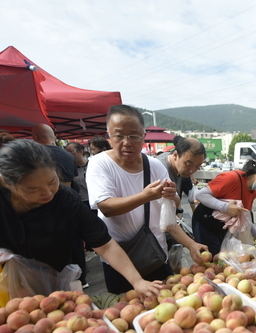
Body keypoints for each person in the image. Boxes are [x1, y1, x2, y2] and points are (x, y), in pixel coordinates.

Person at [0, 139, 161, 300]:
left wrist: (137, 280)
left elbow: (104, 243)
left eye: (52, 181)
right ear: (5, 181)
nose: (48, 193)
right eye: (33, 189)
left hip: (50, 288)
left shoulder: (66, 200)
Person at [86, 105, 207, 294]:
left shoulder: (154, 166)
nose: (127, 142)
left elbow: (166, 219)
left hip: (155, 255)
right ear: (109, 135)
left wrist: (191, 244)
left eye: (134, 136)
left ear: (143, 135)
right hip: (120, 259)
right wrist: (145, 196)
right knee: (128, 314)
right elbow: (106, 207)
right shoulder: (99, 164)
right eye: (119, 136)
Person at [193, 159, 256, 256]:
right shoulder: (231, 178)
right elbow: (200, 195)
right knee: (210, 258)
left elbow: (245, 217)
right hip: (205, 224)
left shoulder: (253, 192)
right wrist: (225, 207)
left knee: (223, 258)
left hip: (223, 227)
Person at [156, 135, 206, 212]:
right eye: (188, 164)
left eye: (198, 165)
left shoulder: (177, 166)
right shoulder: (160, 170)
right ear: (175, 155)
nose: (192, 171)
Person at [66, 142, 91, 287]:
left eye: (73, 150)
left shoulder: (92, 165)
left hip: (93, 202)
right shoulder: (70, 169)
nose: (70, 154)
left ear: (82, 151)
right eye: (67, 151)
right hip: (80, 203)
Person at [31, 123, 78, 188]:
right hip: (68, 195)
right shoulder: (69, 155)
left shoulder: (34, 155)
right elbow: (74, 179)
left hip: (45, 195)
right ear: (55, 138)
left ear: (35, 137)